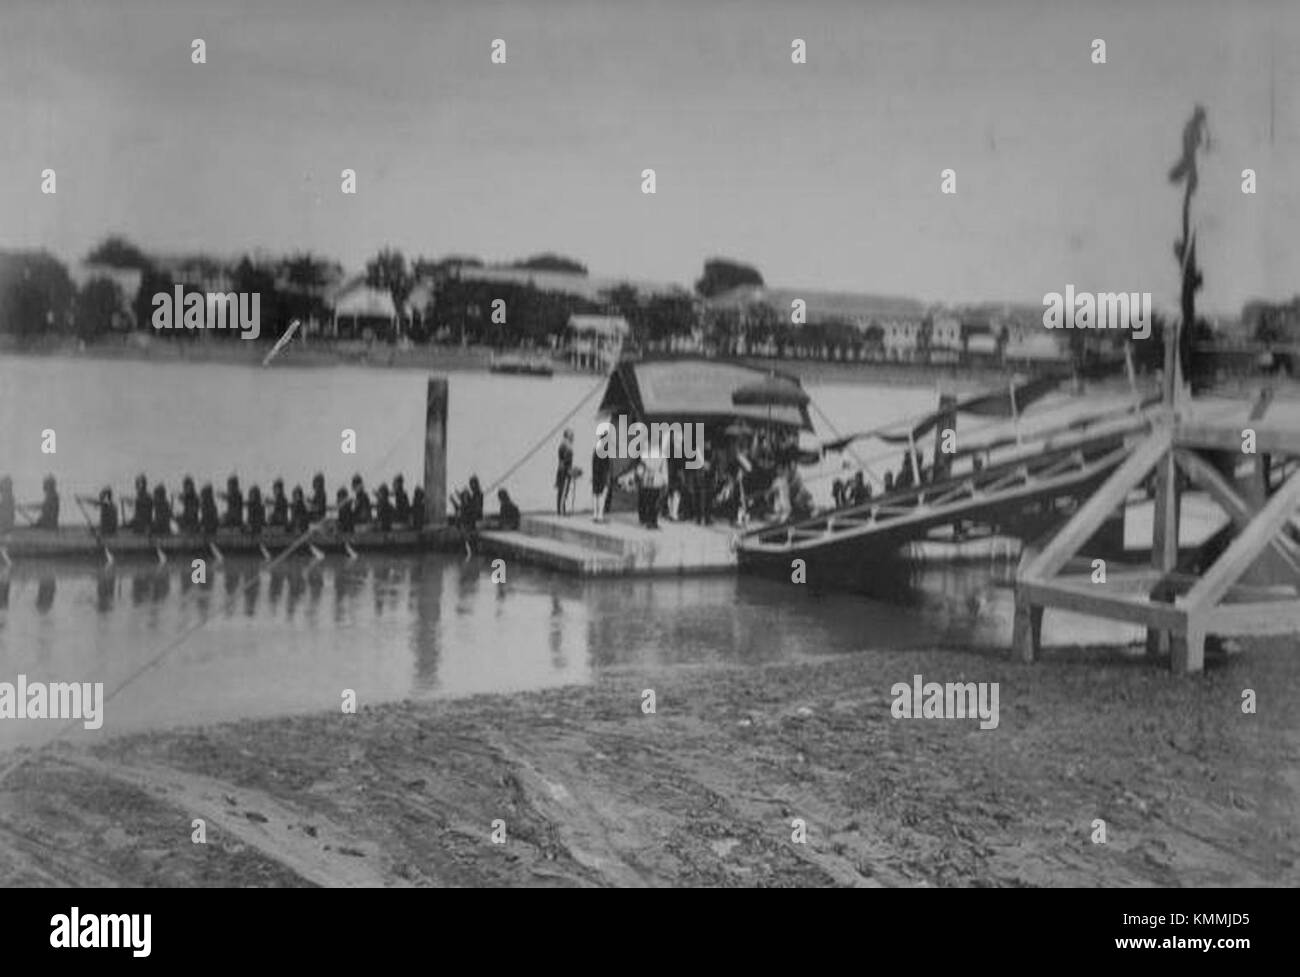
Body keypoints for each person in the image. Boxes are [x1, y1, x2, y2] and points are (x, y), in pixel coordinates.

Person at [555, 429, 574, 515]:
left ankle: (562, 509)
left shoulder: (567, 446)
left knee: (564, 491)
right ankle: (561, 510)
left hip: (565, 470)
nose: (573, 437)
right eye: (571, 435)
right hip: (564, 472)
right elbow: (564, 461)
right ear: (567, 436)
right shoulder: (565, 446)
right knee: (563, 491)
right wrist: (568, 470)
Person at [591, 443, 611, 523]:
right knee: (602, 496)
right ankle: (600, 515)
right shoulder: (605, 452)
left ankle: (595, 514)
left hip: (595, 476)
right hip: (602, 477)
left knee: (595, 495)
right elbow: (607, 466)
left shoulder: (595, 451)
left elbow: (593, 465)